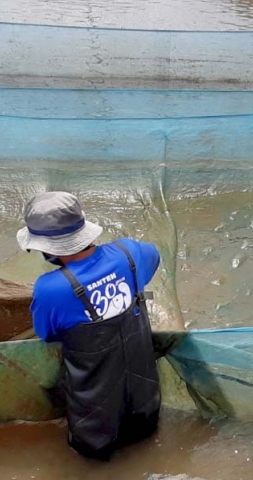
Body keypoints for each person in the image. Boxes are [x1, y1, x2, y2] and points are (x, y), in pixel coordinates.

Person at [17, 191, 162, 461]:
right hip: (146, 402)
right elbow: (154, 258)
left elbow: (47, 334)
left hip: (95, 421)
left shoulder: (51, 290)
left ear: (47, 248)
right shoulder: (131, 253)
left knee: (91, 468)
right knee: (145, 447)